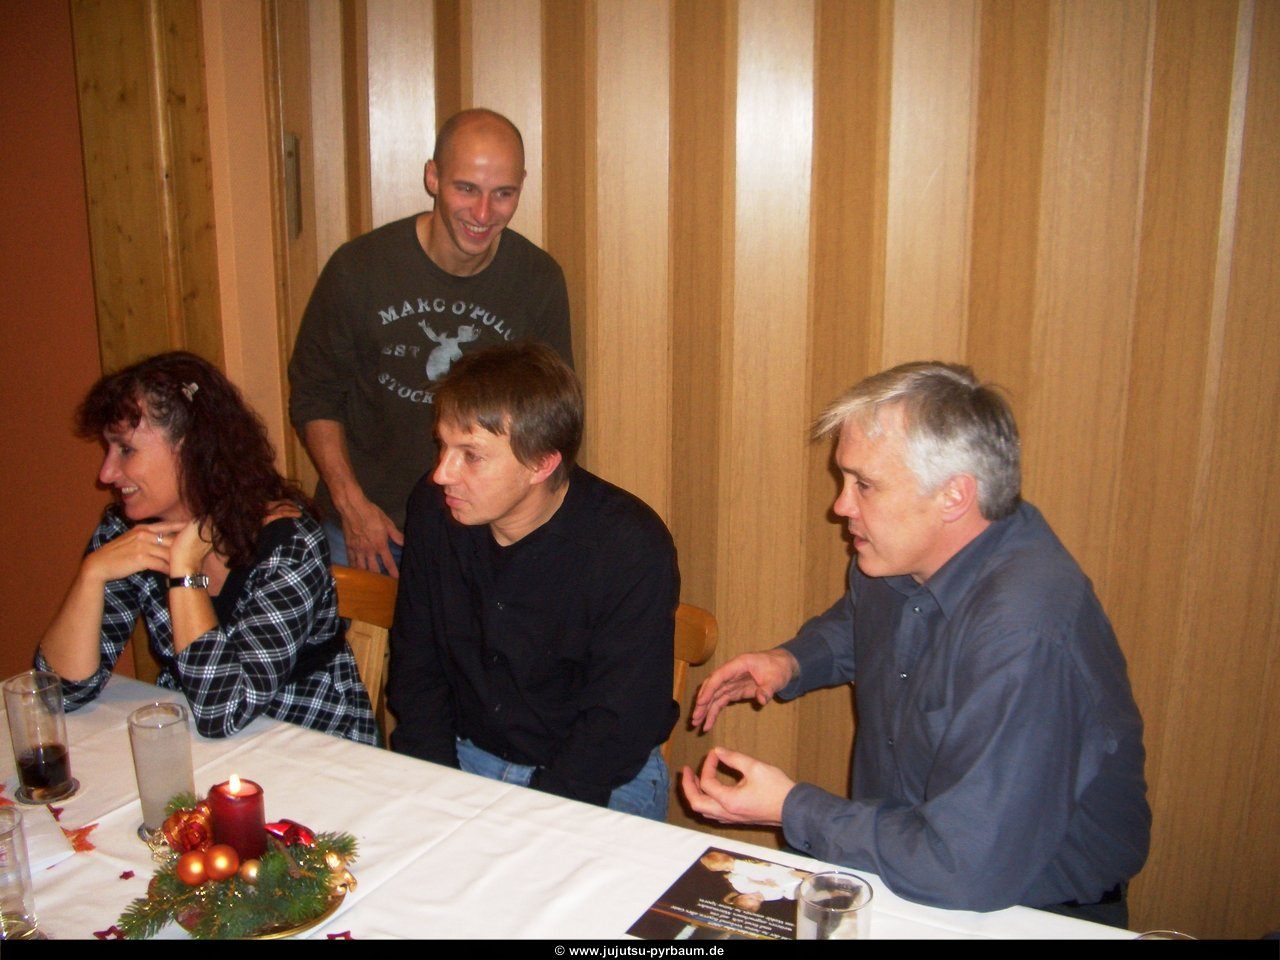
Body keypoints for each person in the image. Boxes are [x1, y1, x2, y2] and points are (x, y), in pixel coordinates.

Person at [682, 362, 1149, 924]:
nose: (841, 506)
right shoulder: (902, 554)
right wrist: (791, 661)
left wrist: (790, 808)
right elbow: (865, 620)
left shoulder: (1024, 634)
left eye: (864, 485)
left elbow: (966, 865)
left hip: (1026, 913)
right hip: (902, 870)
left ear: (954, 496)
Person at [387, 343, 677, 820]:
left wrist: (532, 821)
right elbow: (418, 664)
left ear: (542, 464)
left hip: (597, 777)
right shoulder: (434, 510)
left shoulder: (629, 547)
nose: (441, 474)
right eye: (442, 446)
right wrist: (438, 790)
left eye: (470, 456)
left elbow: (617, 724)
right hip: (466, 755)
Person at [288, 108, 572, 577]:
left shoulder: (537, 280)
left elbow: (549, 421)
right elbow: (315, 396)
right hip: (368, 528)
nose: (483, 214)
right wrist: (352, 505)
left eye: (503, 194)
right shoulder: (359, 269)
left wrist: (529, 532)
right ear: (433, 177)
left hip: (483, 532)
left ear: (522, 185)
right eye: (467, 189)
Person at [38, 352, 377, 744]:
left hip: (309, 741)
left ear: (190, 448)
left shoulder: (289, 542)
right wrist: (92, 574)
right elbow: (61, 693)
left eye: (125, 450)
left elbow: (224, 711)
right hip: (195, 736)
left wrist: (185, 571)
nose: (106, 473)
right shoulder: (127, 531)